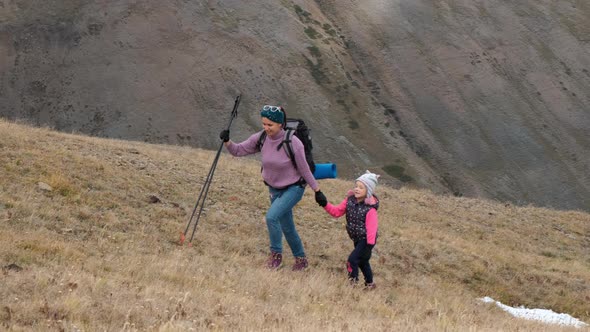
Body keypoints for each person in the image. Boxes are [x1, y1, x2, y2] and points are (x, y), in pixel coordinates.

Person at [220, 105, 327, 271]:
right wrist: (227, 141)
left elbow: (304, 168)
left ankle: (276, 256)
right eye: (264, 124)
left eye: (270, 125)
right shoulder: (261, 137)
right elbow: (239, 150)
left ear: (280, 124)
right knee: (287, 226)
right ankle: (301, 260)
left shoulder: (294, 142)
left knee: (271, 217)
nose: (266, 128)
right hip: (274, 188)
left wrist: (317, 191)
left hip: (294, 187)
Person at [315, 170, 379, 289]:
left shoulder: (370, 209)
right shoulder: (349, 201)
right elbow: (336, 212)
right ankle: (370, 285)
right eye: (356, 186)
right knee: (363, 262)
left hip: (366, 240)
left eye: (361, 187)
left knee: (352, 260)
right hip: (356, 238)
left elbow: (372, 229)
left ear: (368, 191)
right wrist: (324, 203)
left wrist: (369, 247)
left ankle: (352, 283)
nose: (357, 189)